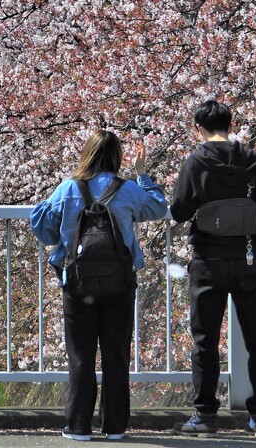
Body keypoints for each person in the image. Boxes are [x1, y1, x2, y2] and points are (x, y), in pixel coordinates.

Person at [30, 129, 168, 442]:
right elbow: (158, 207)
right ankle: (115, 426)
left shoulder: (69, 188)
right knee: (116, 353)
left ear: (86, 154)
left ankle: (78, 425)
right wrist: (142, 173)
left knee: (81, 354)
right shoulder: (129, 189)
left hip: (79, 284)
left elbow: (44, 230)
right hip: (120, 284)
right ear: (118, 158)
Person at [171, 100, 256, 439]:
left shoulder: (196, 161)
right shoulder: (253, 161)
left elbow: (180, 211)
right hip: (246, 260)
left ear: (198, 127)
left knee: (205, 340)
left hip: (208, 262)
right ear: (230, 124)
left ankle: (204, 415)